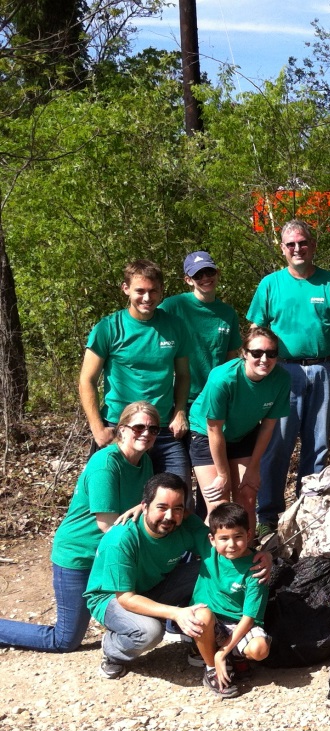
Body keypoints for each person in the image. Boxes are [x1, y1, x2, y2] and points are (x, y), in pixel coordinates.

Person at [0, 402, 157, 652]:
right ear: (122, 429)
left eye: (153, 429)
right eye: (139, 427)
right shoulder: (106, 463)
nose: (146, 434)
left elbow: (144, 504)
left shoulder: (144, 462)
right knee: (64, 640)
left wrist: (143, 507)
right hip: (79, 554)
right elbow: (107, 524)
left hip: (107, 555)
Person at [247, 220, 330, 536]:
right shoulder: (271, 285)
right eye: (290, 244)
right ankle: (267, 517)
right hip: (282, 372)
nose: (297, 249)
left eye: (303, 242)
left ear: (313, 245)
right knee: (278, 444)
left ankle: (307, 511)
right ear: (282, 248)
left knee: (318, 445)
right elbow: (255, 332)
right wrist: (254, 373)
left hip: (324, 370)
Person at [84, 473, 209, 679]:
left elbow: (223, 552)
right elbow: (126, 598)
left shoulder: (186, 524)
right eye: (162, 507)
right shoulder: (122, 538)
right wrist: (175, 612)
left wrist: (261, 557)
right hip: (111, 596)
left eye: (177, 508)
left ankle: (197, 636)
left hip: (152, 587)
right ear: (144, 506)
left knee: (207, 570)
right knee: (149, 632)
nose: (169, 516)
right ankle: (112, 649)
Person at [79, 260, 192, 486]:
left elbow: (183, 375)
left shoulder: (175, 326)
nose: (147, 298)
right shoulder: (109, 327)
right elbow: (86, 380)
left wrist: (180, 411)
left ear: (161, 291)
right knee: (113, 500)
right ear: (126, 289)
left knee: (178, 497)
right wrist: (97, 428)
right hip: (120, 429)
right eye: (140, 291)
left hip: (162, 429)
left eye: (153, 291)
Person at [188, 326, 291, 531]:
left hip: (243, 433)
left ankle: (248, 557)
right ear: (244, 353)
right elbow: (214, 429)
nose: (264, 359)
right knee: (220, 506)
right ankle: (215, 560)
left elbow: (267, 428)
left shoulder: (281, 379)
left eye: (271, 354)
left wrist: (253, 469)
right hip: (207, 433)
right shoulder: (223, 378)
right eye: (257, 353)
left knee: (248, 497)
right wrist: (223, 474)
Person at [191, 503, 270, 698]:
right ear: (212, 539)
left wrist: (223, 652)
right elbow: (181, 514)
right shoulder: (208, 550)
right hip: (212, 621)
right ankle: (211, 669)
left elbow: (249, 618)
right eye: (224, 538)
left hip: (239, 624)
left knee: (259, 649)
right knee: (201, 615)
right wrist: (143, 507)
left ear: (249, 535)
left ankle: (229, 655)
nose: (231, 545)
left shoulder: (256, 568)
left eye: (238, 537)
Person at [160, 251, 242, 413]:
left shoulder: (227, 313)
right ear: (188, 280)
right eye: (198, 275)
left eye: (209, 272)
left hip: (216, 394)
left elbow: (231, 357)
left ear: (217, 273)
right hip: (181, 396)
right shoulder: (173, 306)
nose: (205, 278)